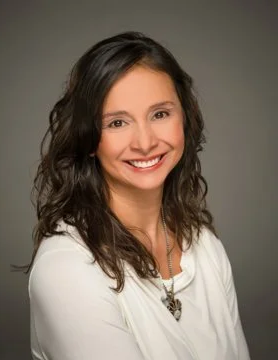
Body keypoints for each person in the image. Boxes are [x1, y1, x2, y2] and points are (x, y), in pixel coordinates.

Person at [28, 31, 250, 359]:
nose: (145, 142)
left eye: (160, 114)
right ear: (88, 138)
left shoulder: (204, 245)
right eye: (117, 123)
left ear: (184, 119)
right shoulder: (66, 269)